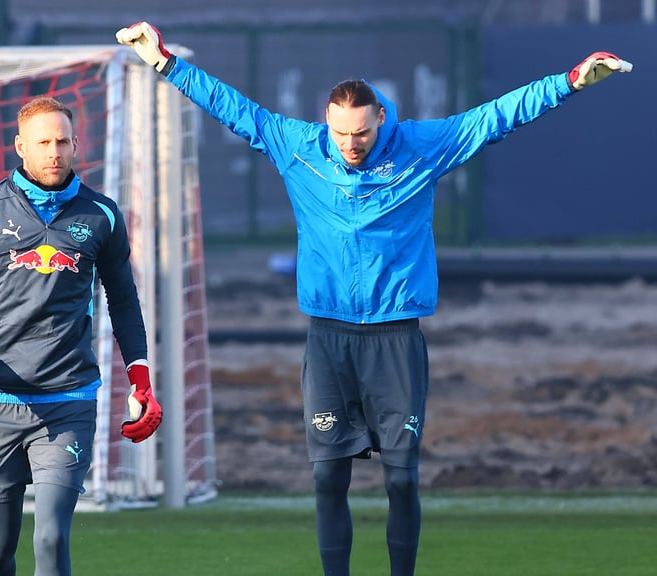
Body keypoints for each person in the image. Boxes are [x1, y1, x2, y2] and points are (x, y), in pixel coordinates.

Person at [117, 21, 633, 576]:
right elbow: (233, 108)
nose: (350, 143)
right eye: (340, 132)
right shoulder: (299, 148)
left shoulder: (420, 149)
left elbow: (495, 117)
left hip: (396, 341)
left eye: (360, 132)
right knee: (326, 476)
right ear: (326, 122)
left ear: (381, 118)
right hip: (329, 341)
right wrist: (164, 63)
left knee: (402, 479)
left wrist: (569, 82)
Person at [0, 95, 162, 576]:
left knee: (50, 537)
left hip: (68, 401)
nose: (54, 152)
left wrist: (142, 379)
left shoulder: (102, 215)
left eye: (62, 142)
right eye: (43, 142)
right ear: (20, 146)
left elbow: (124, 302)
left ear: (76, 144)